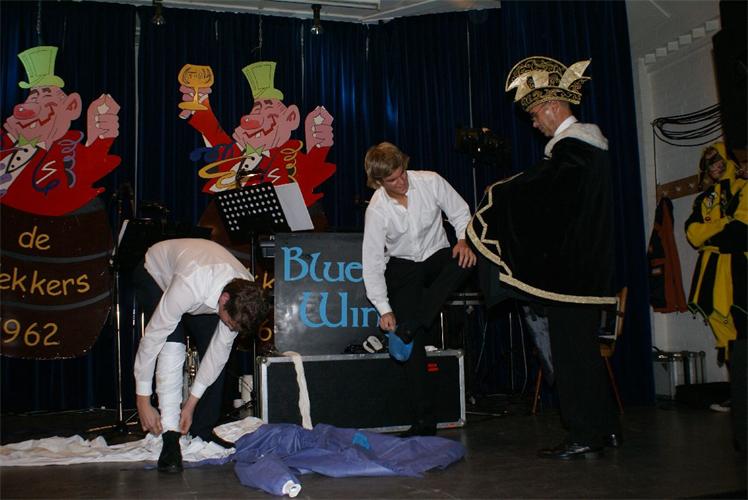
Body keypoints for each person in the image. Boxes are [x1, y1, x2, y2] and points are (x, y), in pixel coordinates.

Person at [468, 56, 620, 459]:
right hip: (588, 273)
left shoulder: (574, 150)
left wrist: (497, 193)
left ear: (553, 106)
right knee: (585, 354)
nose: (535, 124)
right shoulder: (588, 150)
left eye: (535, 115)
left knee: (570, 358)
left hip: (573, 277)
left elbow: (539, 189)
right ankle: (606, 428)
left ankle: (584, 433)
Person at [361, 142, 476, 437]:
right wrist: (384, 309)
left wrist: (463, 240)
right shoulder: (376, 210)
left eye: (402, 173)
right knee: (410, 343)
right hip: (403, 267)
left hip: (437, 257)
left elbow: (461, 212)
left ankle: (416, 320)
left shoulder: (430, 181)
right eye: (392, 180)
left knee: (469, 259)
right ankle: (425, 422)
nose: (401, 181)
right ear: (378, 182)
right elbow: (372, 263)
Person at [132, 238, 269, 473]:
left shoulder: (244, 293)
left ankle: (202, 429)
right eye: (231, 323)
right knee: (172, 344)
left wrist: (190, 405)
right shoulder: (190, 285)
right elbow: (152, 338)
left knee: (218, 352)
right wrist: (142, 400)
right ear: (224, 300)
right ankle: (170, 436)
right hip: (154, 272)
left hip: (204, 283)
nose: (231, 328)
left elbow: (216, 356)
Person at [1, 45, 120, 216]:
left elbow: (74, 185)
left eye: (46, 95)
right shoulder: (5, 142)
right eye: (33, 96)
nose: (32, 106)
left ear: (71, 106)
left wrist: (101, 139)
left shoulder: (64, 155)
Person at [684, 142, 746, 452]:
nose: (715, 166)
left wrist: (712, 231)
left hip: (740, 273)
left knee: (743, 335)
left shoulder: (742, 188)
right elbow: (692, 234)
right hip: (710, 276)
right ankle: (739, 395)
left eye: (719, 160)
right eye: (709, 163)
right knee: (727, 339)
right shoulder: (704, 199)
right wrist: (720, 226)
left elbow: (740, 232)